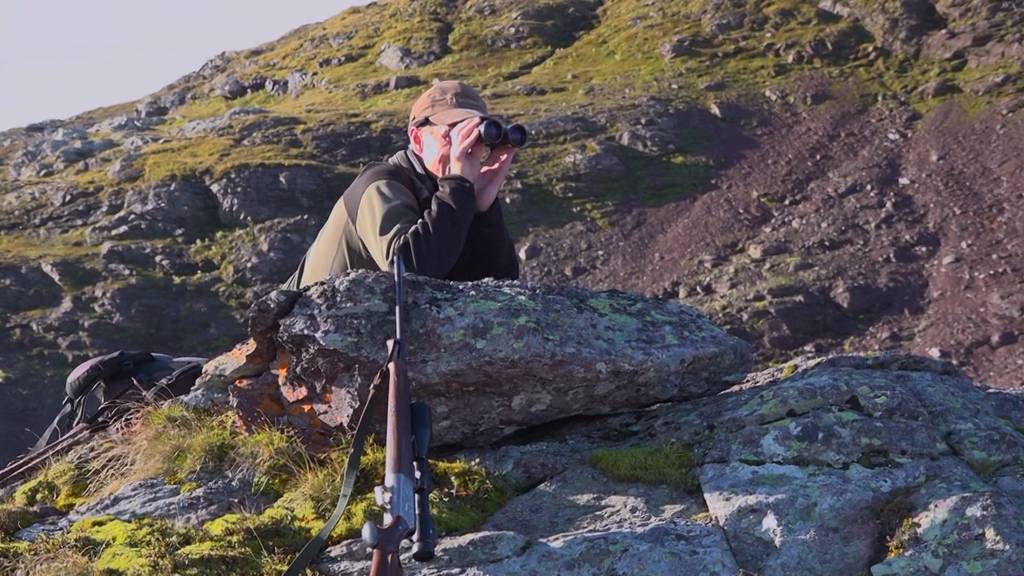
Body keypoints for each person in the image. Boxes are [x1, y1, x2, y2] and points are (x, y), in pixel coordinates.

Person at [282, 79, 520, 289]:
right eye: (452, 135)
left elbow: (497, 284)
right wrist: (457, 186)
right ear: (417, 139)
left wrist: (483, 210)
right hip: (305, 330)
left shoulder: (452, 194)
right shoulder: (381, 183)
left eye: (473, 137)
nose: (464, 147)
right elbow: (408, 272)